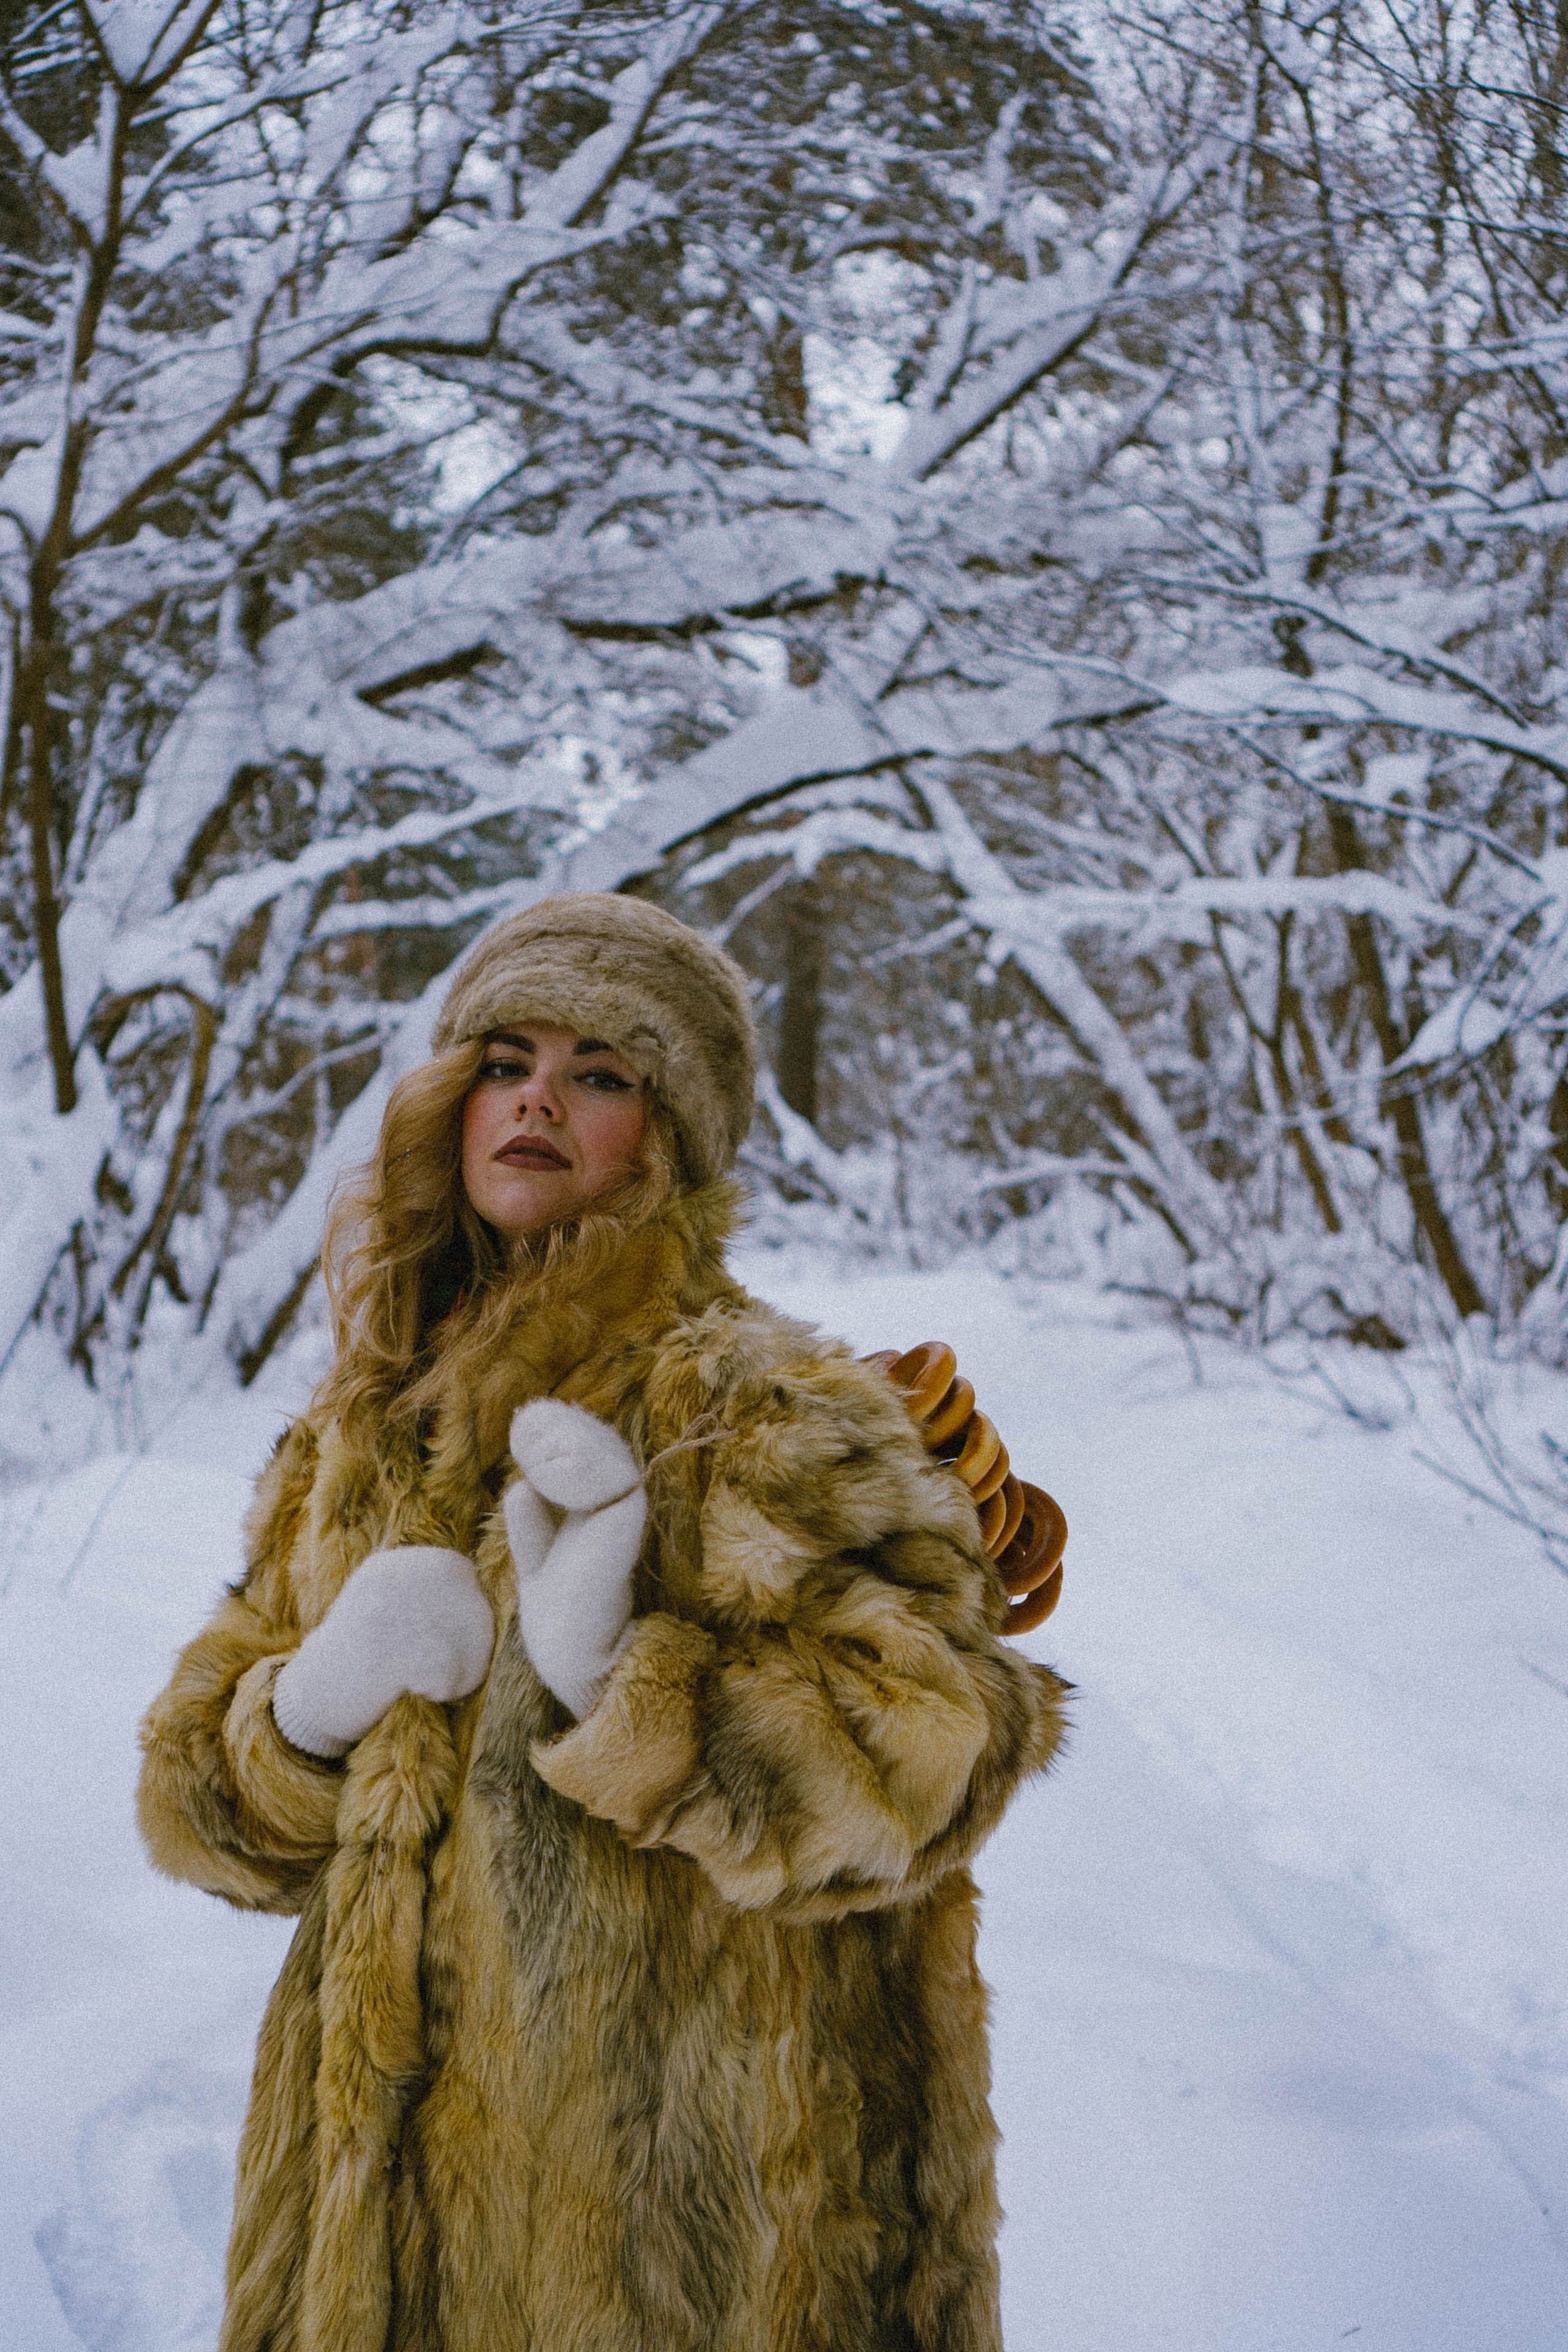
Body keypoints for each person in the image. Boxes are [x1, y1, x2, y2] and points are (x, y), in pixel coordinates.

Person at [137, 892, 1068, 2352]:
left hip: (683, 2252)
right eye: (507, 1058)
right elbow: (195, 1808)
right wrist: (307, 1708)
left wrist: (622, 1689)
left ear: (673, 1133)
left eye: (601, 1074)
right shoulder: (362, 1432)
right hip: (366, 2246)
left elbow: (930, 1761)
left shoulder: (752, 1405)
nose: (537, 1100)